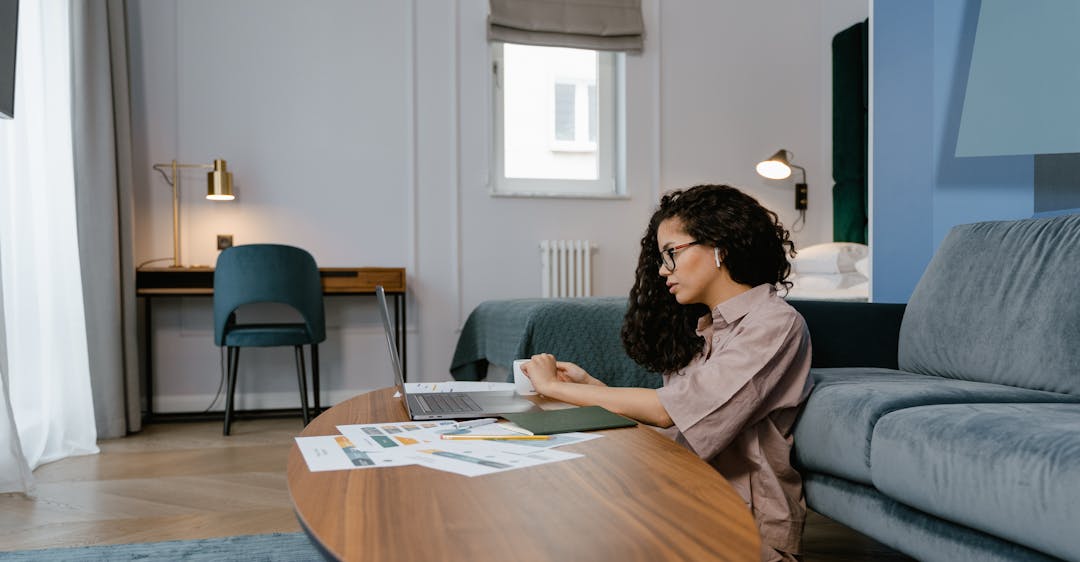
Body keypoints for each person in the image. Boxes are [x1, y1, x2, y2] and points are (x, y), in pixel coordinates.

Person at [521, 184, 812, 562]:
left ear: (720, 246)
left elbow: (667, 411)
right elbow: (676, 428)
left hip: (744, 529)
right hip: (684, 503)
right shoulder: (704, 330)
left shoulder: (774, 325)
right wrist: (592, 387)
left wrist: (553, 389)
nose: (662, 270)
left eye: (671, 253)